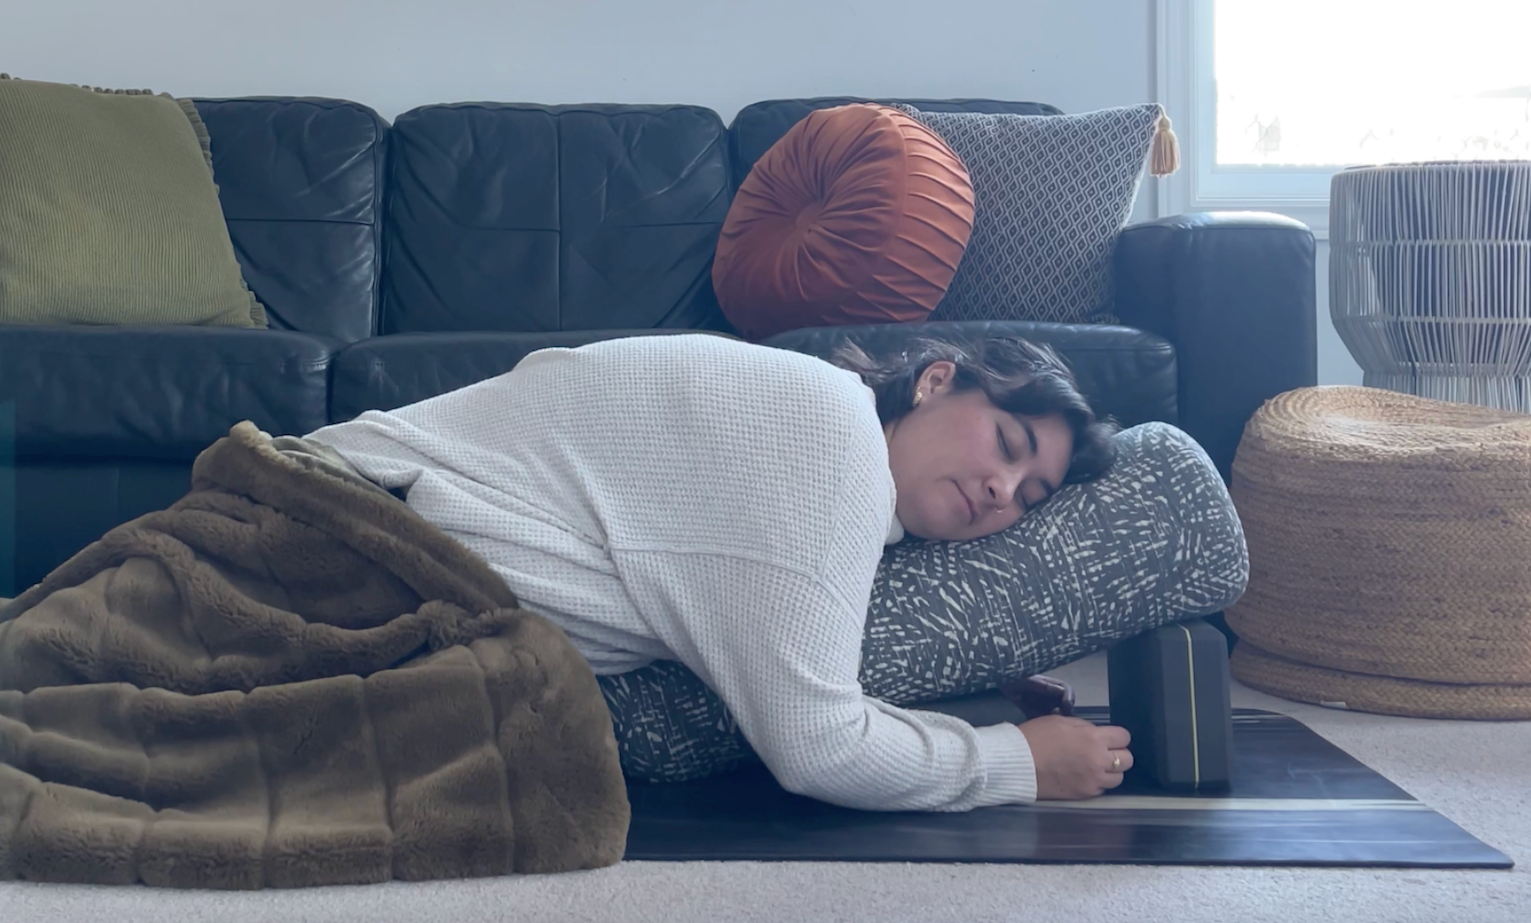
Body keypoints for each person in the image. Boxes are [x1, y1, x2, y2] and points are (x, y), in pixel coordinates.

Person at [303, 331, 1137, 811]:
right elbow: (818, 749)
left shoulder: (831, 434)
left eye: (1029, 497)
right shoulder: (837, 444)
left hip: (373, 538)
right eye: (1007, 443)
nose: (1001, 490)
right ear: (935, 381)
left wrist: (972, 686)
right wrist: (1019, 763)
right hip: (339, 533)